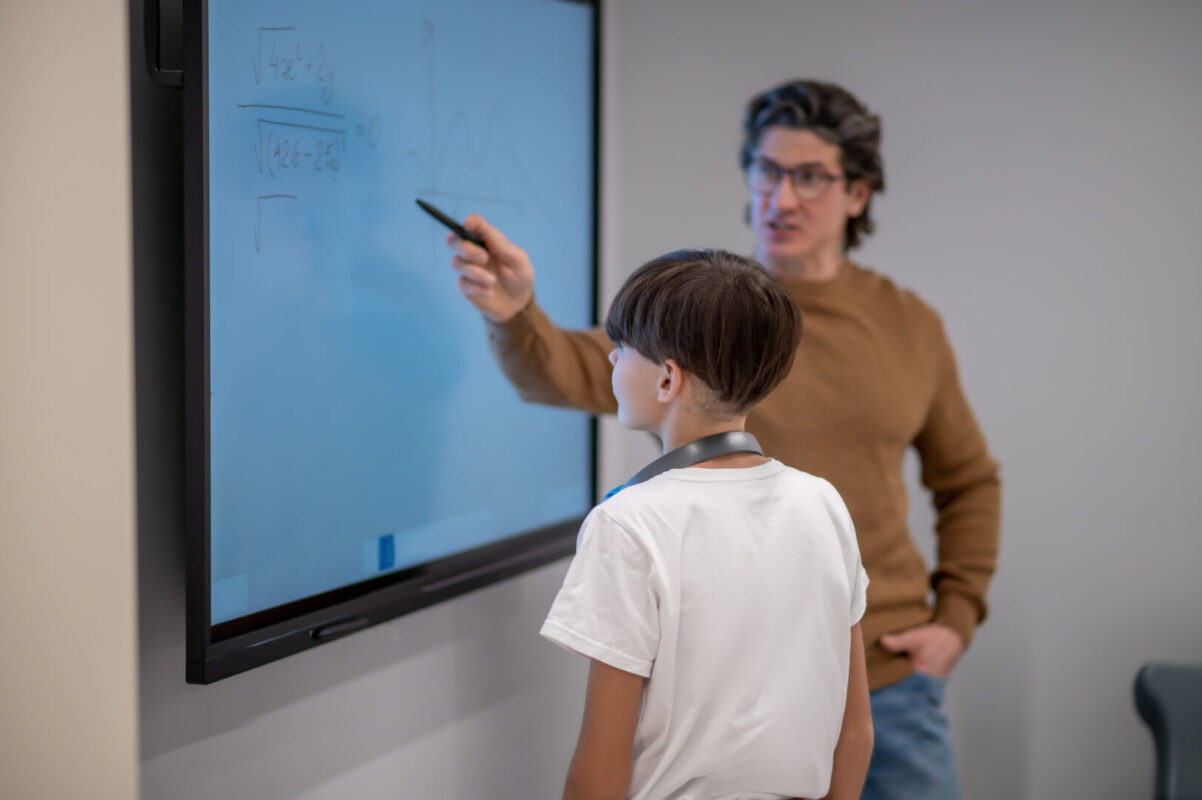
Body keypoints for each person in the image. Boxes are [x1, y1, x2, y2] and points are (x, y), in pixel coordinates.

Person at [447, 80, 1000, 800]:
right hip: (725, 681)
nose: (783, 196)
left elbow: (968, 481)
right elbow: (569, 365)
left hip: (887, 672)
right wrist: (517, 312)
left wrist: (956, 618)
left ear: (857, 193)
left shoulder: (909, 327)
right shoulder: (706, 322)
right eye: (768, 170)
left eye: (810, 177)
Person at [540, 248, 872, 800]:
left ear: (668, 379)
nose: (610, 363)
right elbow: (855, 731)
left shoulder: (629, 522)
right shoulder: (822, 502)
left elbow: (600, 769)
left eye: (620, 350)